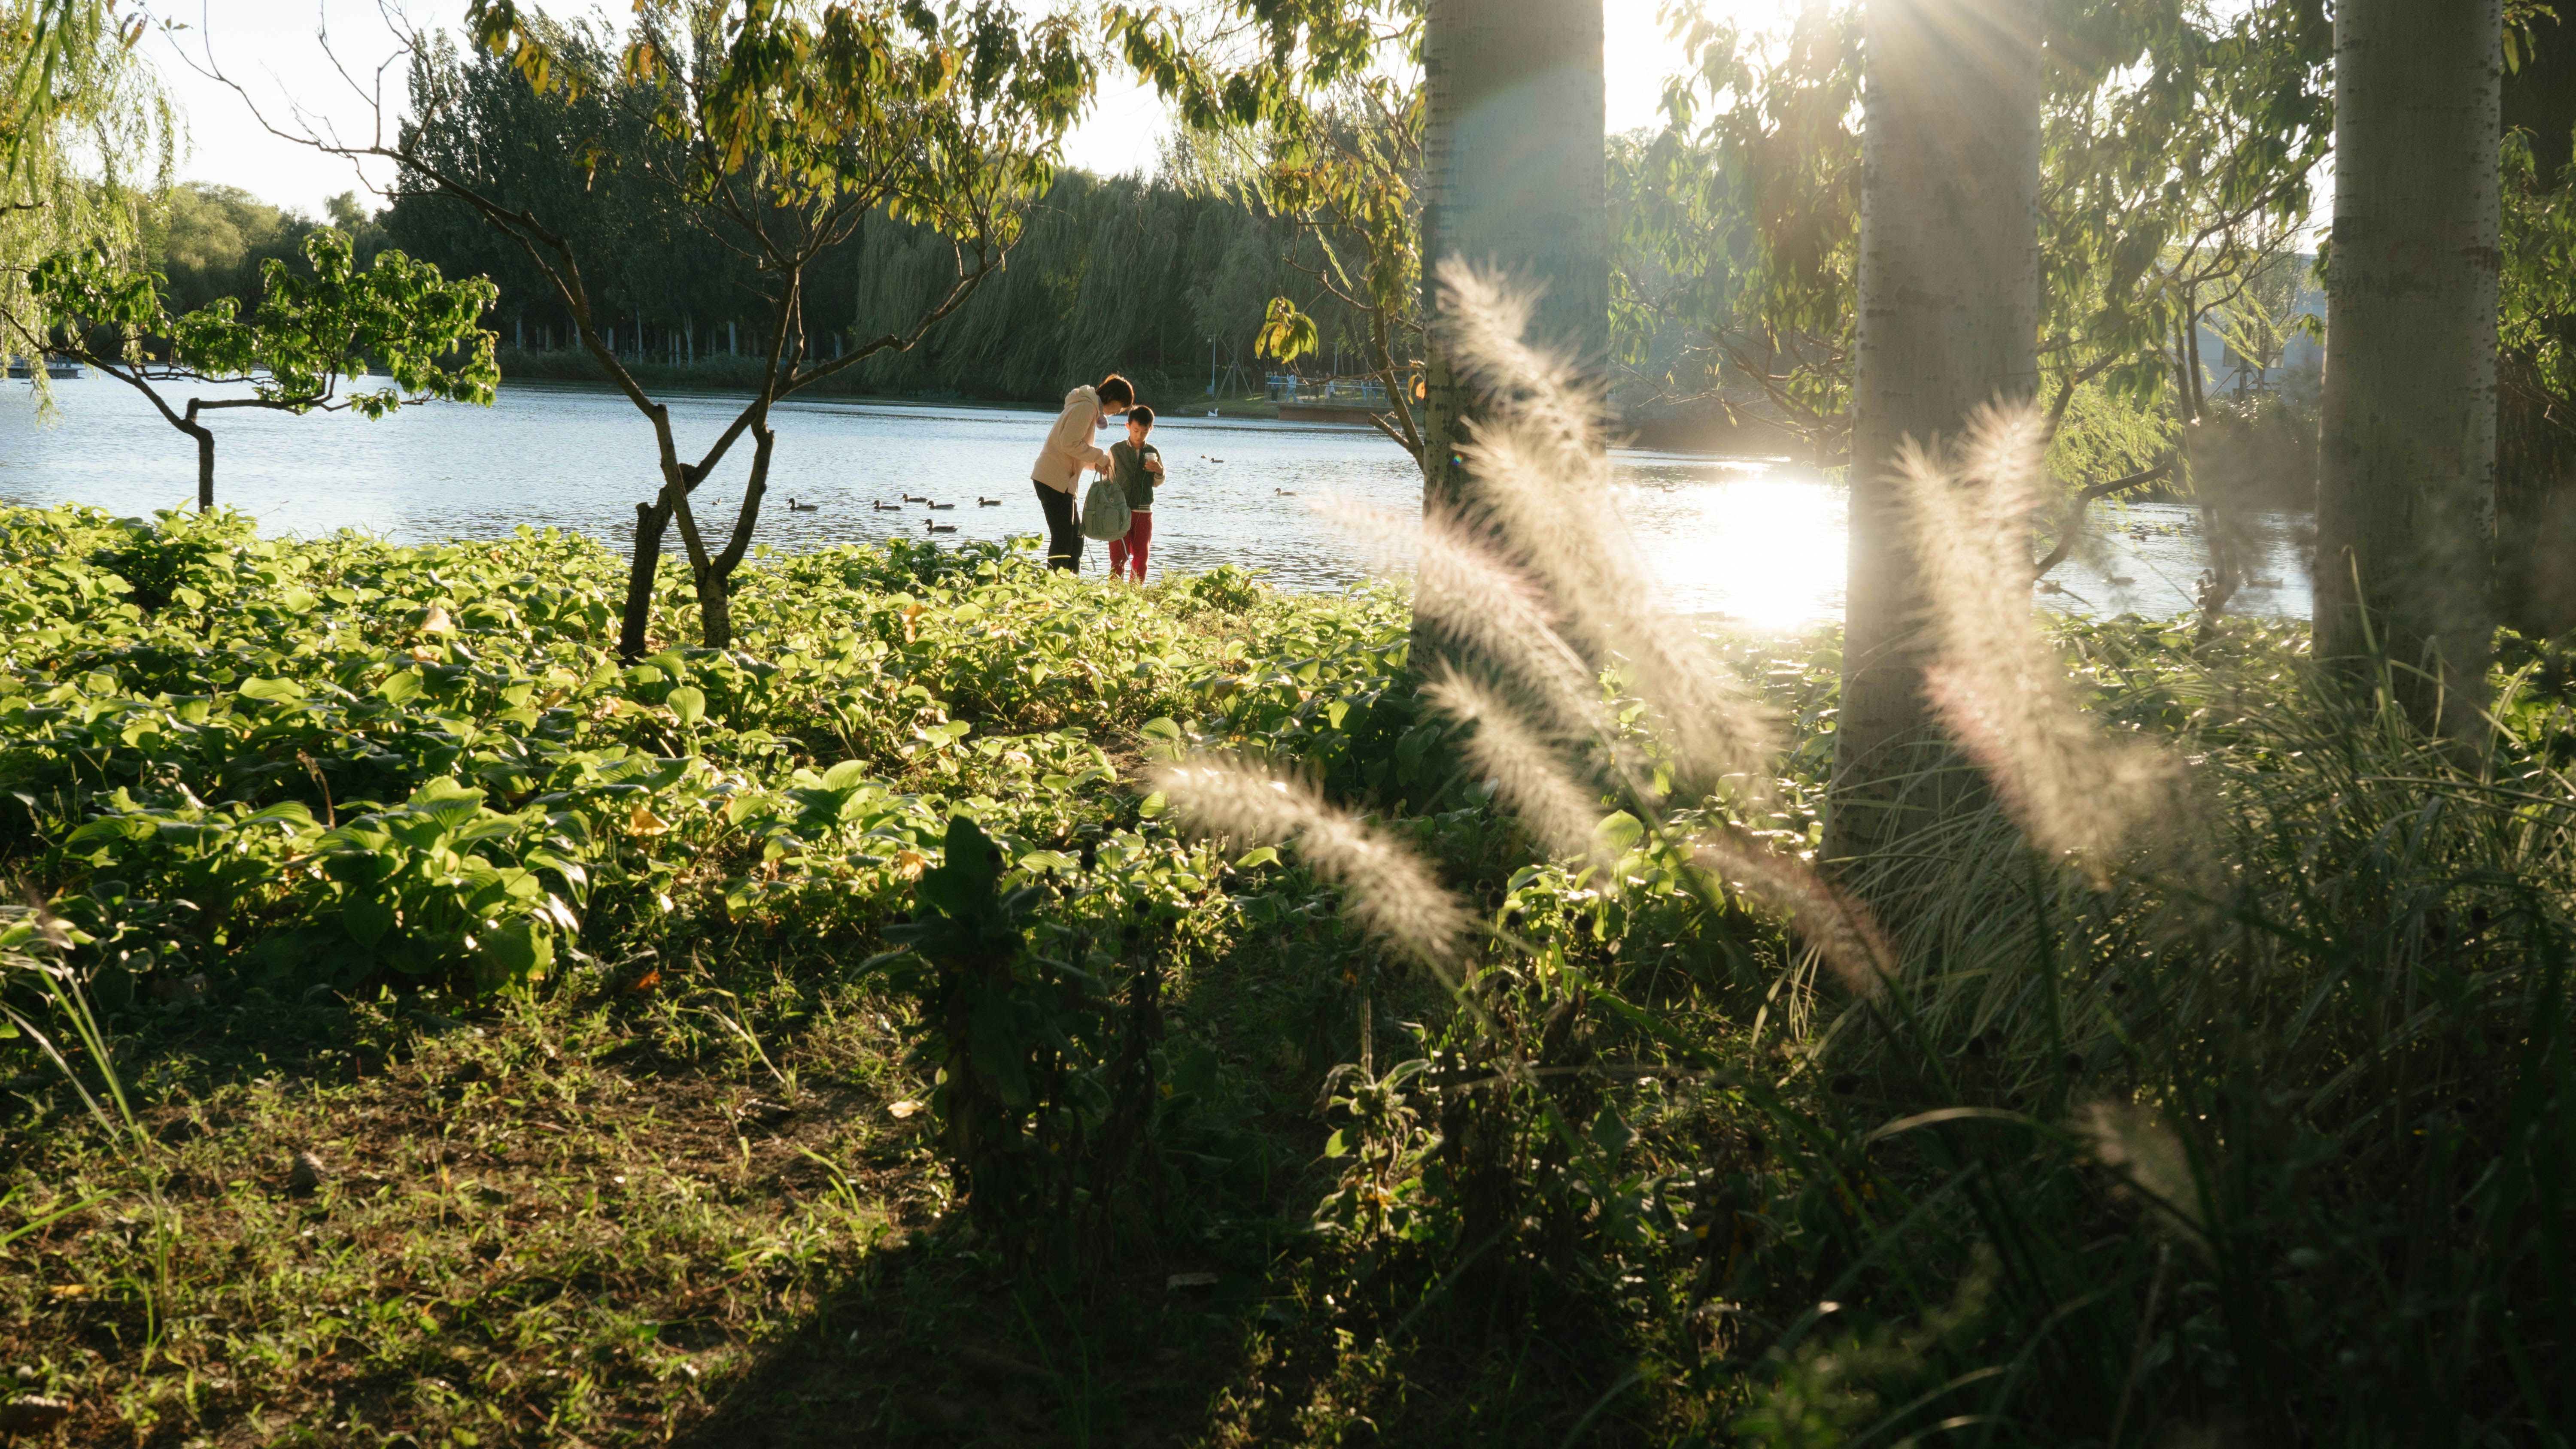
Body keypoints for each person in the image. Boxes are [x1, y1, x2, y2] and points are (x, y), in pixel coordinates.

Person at [1029, 373, 1133, 571]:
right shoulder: (1086, 407)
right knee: (1063, 539)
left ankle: (1069, 586)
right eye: (1120, 407)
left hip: (1060, 481)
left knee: (1076, 539)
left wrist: (1095, 464)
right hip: (1054, 480)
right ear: (1112, 397)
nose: (1118, 412)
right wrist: (1100, 457)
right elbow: (1068, 443)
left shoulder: (1087, 407)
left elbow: (1075, 449)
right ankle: (1055, 588)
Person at [1105, 404, 1165, 582]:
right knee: (1118, 558)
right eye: (1136, 430)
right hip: (1119, 512)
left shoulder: (1153, 453)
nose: (1139, 436)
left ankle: (1136, 593)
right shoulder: (1116, 450)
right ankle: (1114, 592)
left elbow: (1158, 482)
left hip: (1144, 512)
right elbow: (1108, 481)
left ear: (1151, 429)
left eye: (1144, 432)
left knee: (1141, 558)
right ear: (1128, 426)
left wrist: (1160, 471)